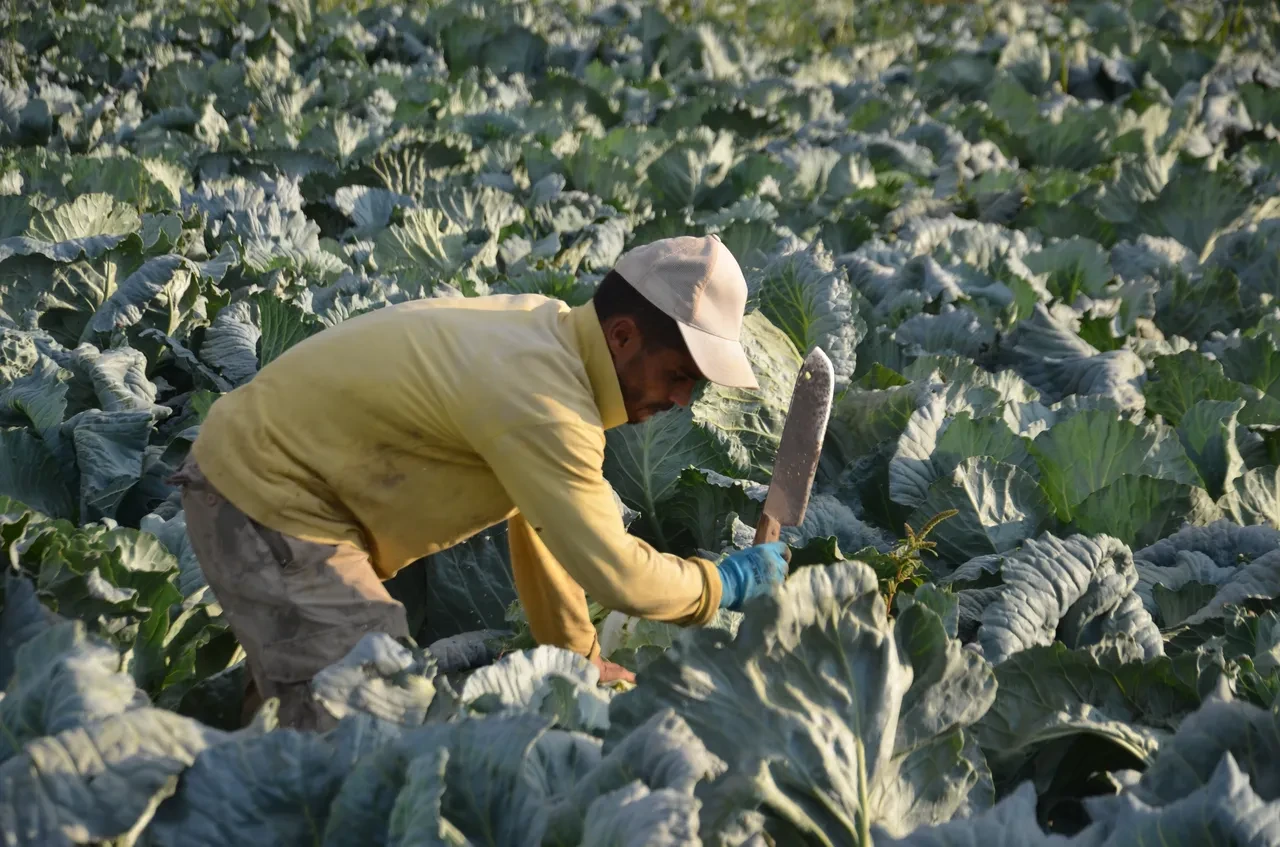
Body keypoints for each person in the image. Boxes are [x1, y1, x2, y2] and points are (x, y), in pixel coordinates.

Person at [171, 234, 791, 731]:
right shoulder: (545, 400)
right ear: (622, 336)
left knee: (297, 725)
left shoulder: (545, 337)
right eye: (679, 375)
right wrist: (725, 581)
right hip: (268, 498)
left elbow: (542, 526)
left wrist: (576, 661)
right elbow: (618, 574)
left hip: (270, 489)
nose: (682, 400)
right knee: (371, 717)